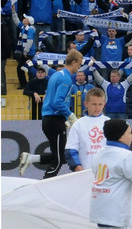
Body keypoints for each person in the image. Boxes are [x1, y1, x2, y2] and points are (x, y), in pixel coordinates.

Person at [19, 86, 108, 176]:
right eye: (94, 104)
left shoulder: (109, 123)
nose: (97, 107)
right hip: (84, 174)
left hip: (106, 174)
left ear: (104, 104)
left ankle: (33, 160)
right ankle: (47, 183)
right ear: (85, 104)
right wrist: (79, 169)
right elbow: (71, 151)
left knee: (58, 158)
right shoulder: (79, 124)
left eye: (100, 104)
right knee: (58, 158)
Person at [37, 50, 84, 178]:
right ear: (73, 62)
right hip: (55, 120)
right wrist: (70, 115)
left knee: (58, 156)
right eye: (79, 64)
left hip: (48, 118)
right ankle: (45, 186)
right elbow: (58, 102)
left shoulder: (57, 75)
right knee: (58, 160)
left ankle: (31, 159)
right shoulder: (66, 79)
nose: (79, 68)